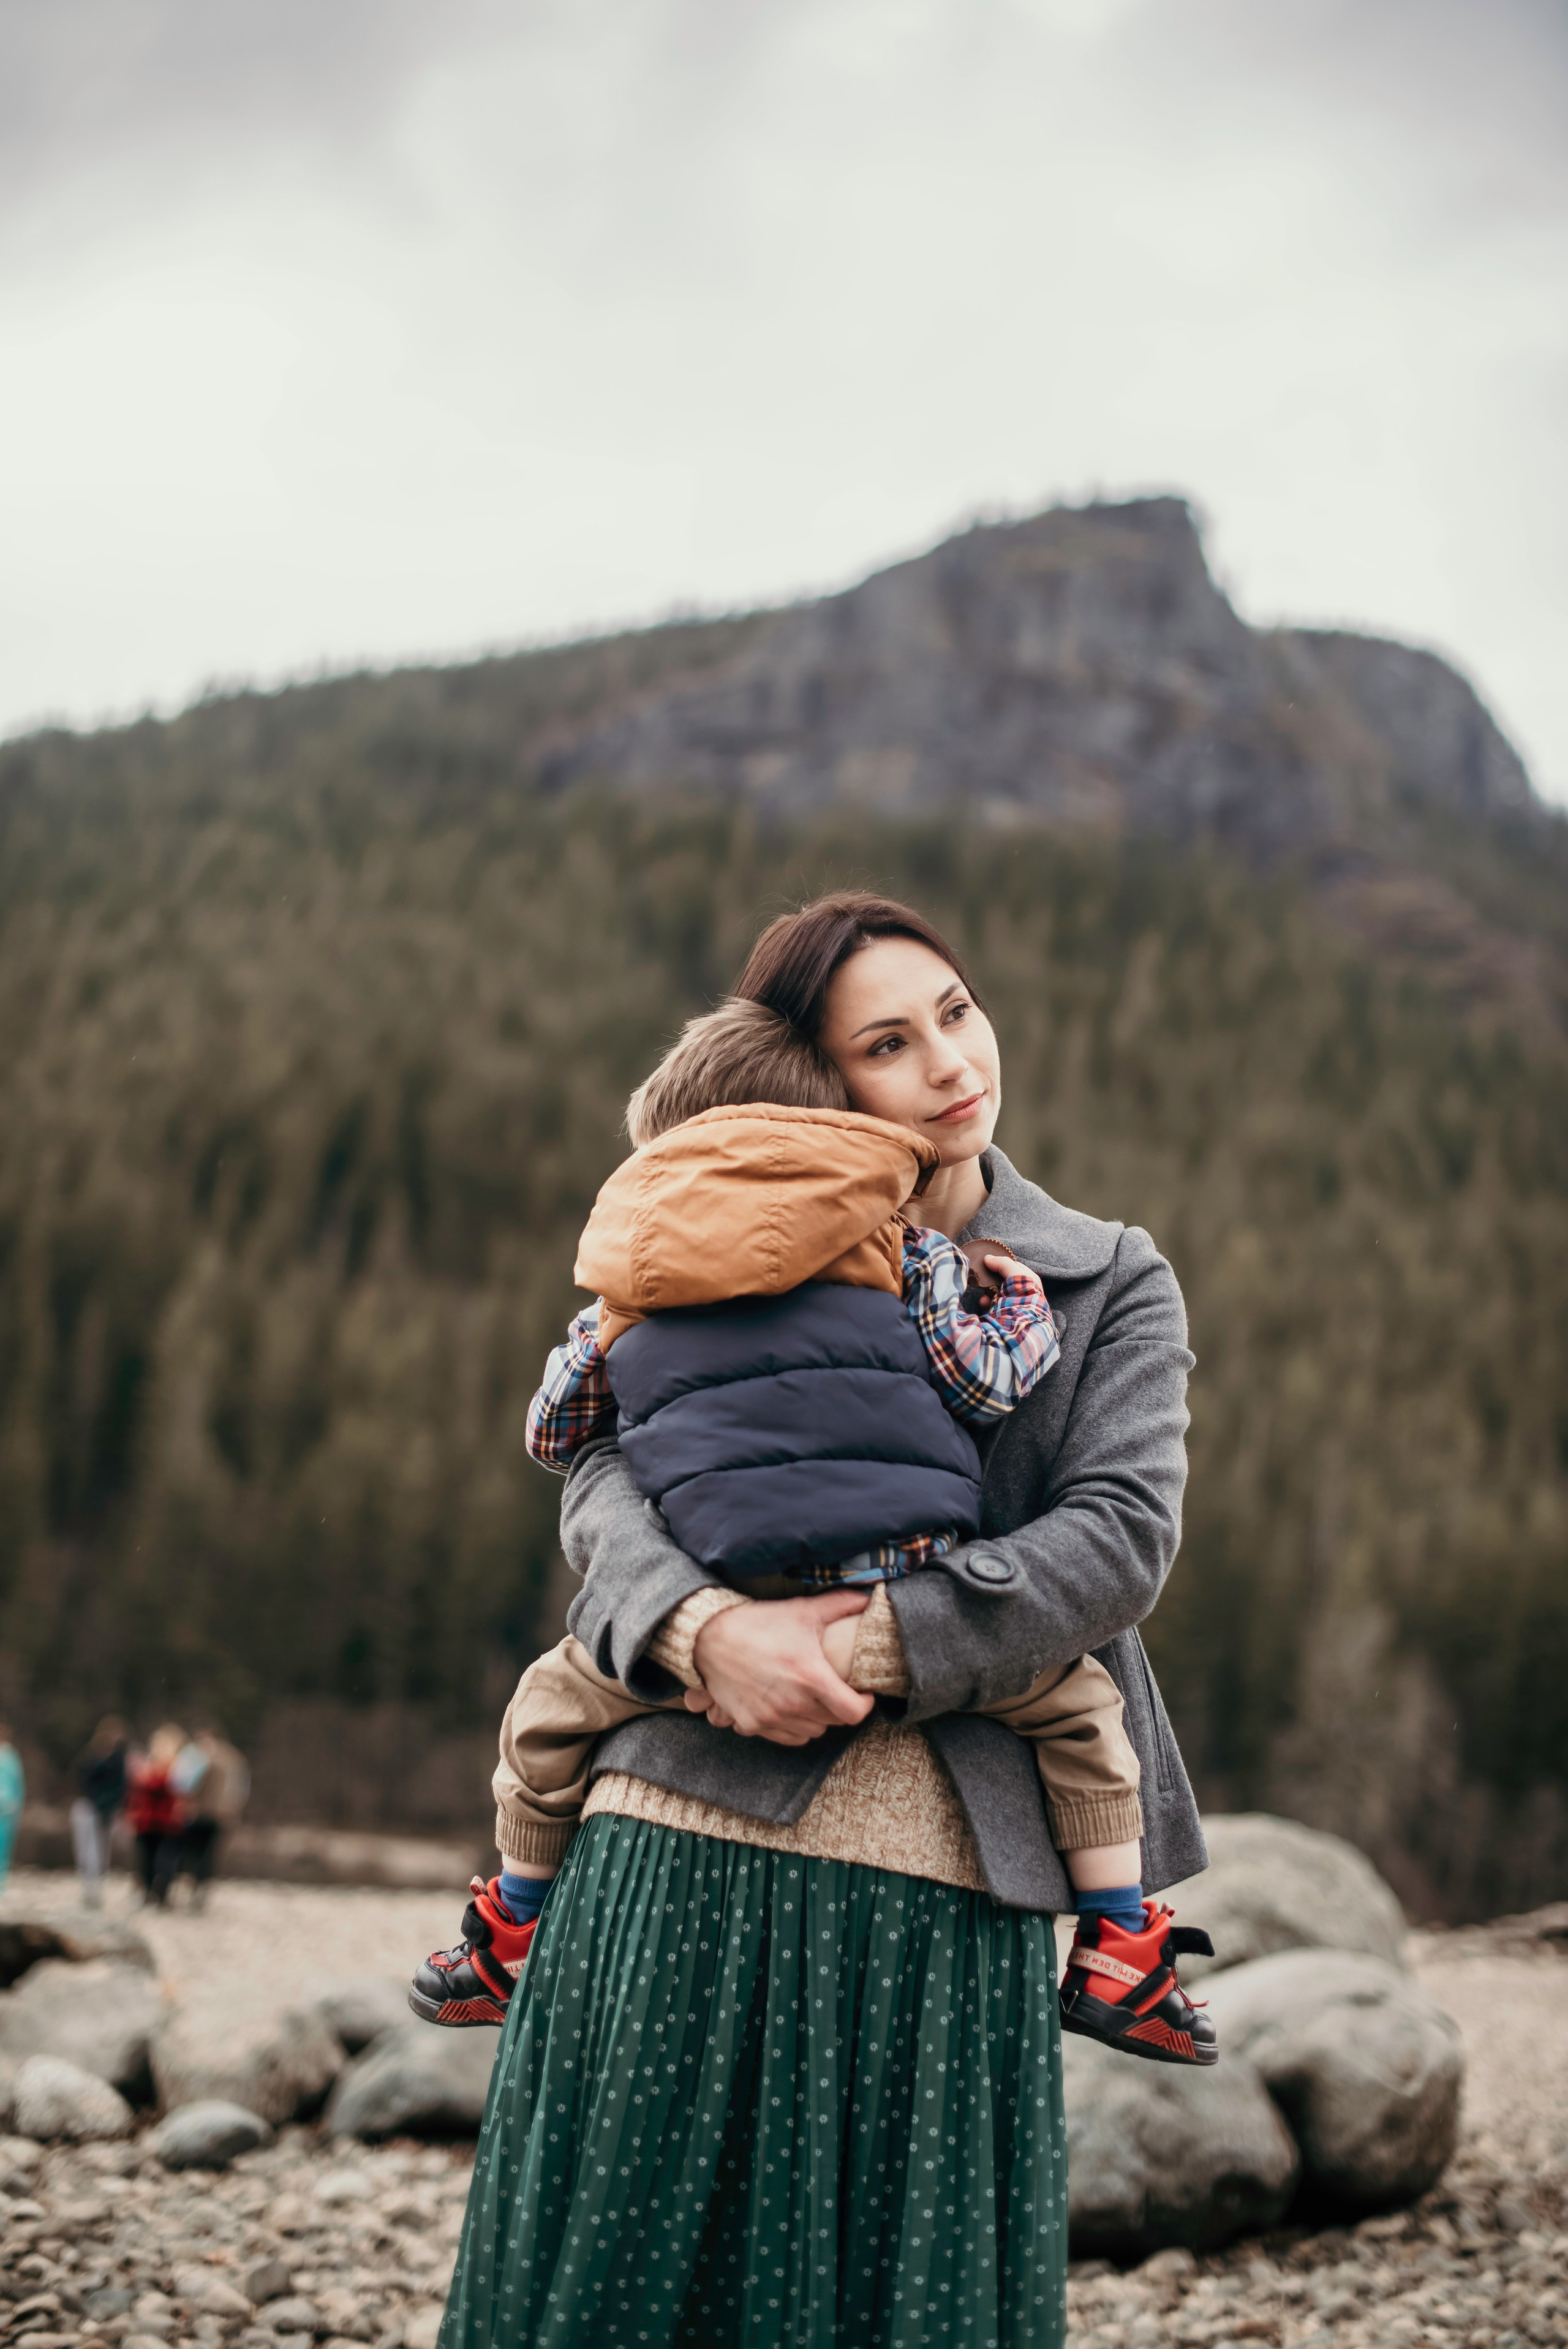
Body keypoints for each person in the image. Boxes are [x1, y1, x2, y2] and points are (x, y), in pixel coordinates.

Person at [439, 893, 1208, 2349]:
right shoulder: (695, 1238)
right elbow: (598, 1474)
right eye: (886, 1041)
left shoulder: (1104, 1273)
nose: (947, 1062)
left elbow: (1116, 1541)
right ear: (806, 1076)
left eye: (956, 1010)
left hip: (948, 1868)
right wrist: (698, 1632)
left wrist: (866, 1644)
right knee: (616, 2288)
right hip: (669, 1831)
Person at [175, 1725, 249, 1910]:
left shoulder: (204, 1758)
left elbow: (190, 1786)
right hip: (225, 1814)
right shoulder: (236, 1759)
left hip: (203, 1813)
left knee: (194, 1853)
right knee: (210, 1855)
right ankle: (202, 1889)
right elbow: (242, 1789)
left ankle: (194, 1888)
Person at [124, 1724, 186, 1907]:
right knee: (150, 1860)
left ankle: (158, 1893)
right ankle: (152, 1892)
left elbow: (159, 1788)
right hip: (152, 1821)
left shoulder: (171, 1769)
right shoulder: (154, 1767)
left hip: (163, 1822)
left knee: (161, 1861)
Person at [70, 1716, 128, 1909]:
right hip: (90, 1807)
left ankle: (96, 1886)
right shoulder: (92, 1756)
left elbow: (120, 1788)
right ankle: (88, 1886)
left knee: (99, 1851)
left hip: (104, 1810)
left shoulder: (118, 1760)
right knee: (88, 1850)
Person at [0, 1724, 23, 1891]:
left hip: (7, 1807)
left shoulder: (10, 1756)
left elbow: (18, 1785)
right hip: (8, 1806)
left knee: (4, 1845)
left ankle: (1, 1880)